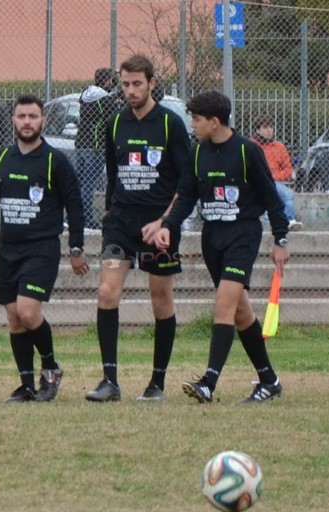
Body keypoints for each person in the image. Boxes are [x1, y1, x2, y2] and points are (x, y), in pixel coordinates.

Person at [153, 90, 290, 404]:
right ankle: (269, 380)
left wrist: (280, 239)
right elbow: (186, 195)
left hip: (242, 235)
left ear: (215, 122)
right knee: (241, 314)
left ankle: (209, 383)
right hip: (212, 238)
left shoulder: (247, 151)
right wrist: (168, 225)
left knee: (224, 306)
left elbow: (272, 198)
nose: (193, 125)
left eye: (197, 119)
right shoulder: (197, 153)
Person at [0, 94, 88, 403]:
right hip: (8, 249)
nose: (27, 122)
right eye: (22, 117)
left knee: (28, 311)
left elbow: (75, 205)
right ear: (13, 120)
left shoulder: (55, 161)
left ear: (43, 121)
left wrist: (76, 246)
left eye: (33, 117)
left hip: (41, 248)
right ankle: (27, 385)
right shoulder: (3, 158)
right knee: (15, 318)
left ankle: (51, 368)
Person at [84, 54, 191, 403]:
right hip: (120, 227)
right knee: (106, 293)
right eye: (125, 84)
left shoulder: (171, 124)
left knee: (160, 299)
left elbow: (187, 183)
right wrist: (109, 215)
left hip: (158, 229)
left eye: (136, 84)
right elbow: (113, 175)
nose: (130, 91)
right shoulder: (115, 123)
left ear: (151, 83)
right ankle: (109, 381)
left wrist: (166, 222)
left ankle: (156, 383)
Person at [75, 67, 122, 229]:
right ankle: (86, 218)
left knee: (80, 183)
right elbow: (114, 113)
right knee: (89, 184)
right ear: (107, 81)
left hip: (81, 144)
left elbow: (110, 94)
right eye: (111, 80)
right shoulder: (105, 100)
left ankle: (74, 216)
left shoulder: (86, 94)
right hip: (95, 146)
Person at [250, 115, 303, 231]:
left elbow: (288, 169)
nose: (269, 130)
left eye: (271, 127)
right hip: (255, 182)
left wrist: (272, 177)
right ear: (257, 130)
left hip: (275, 182)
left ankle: (290, 220)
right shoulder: (250, 145)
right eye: (265, 127)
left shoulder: (279, 147)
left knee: (288, 194)